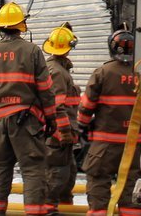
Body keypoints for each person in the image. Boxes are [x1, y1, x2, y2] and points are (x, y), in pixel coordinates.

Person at [0, 2, 57, 216]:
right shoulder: (32, 52)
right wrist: (51, 118)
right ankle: (35, 212)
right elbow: (45, 90)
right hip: (27, 124)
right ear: (22, 26)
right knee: (33, 169)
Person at [78, 29, 140, 216]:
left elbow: (87, 106)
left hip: (104, 143)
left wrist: (82, 125)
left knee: (98, 180)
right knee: (131, 184)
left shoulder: (103, 72)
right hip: (133, 144)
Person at [42, 23, 82, 212]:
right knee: (57, 178)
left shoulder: (58, 69)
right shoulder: (57, 72)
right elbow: (57, 106)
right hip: (58, 137)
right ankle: (49, 211)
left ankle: (66, 211)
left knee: (67, 177)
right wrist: (64, 132)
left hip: (63, 136)